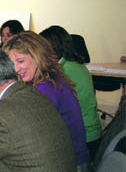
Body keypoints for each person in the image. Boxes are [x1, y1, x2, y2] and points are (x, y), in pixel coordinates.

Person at [3, 31, 91, 172]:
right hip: (69, 163)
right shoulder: (48, 80)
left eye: (20, 61)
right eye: (11, 64)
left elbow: (22, 132)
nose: (16, 69)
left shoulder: (46, 89)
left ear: (37, 56)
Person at [40, 25, 102, 161]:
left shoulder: (65, 71)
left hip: (84, 137)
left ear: (52, 47)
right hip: (91, 132)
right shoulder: (73, 64)